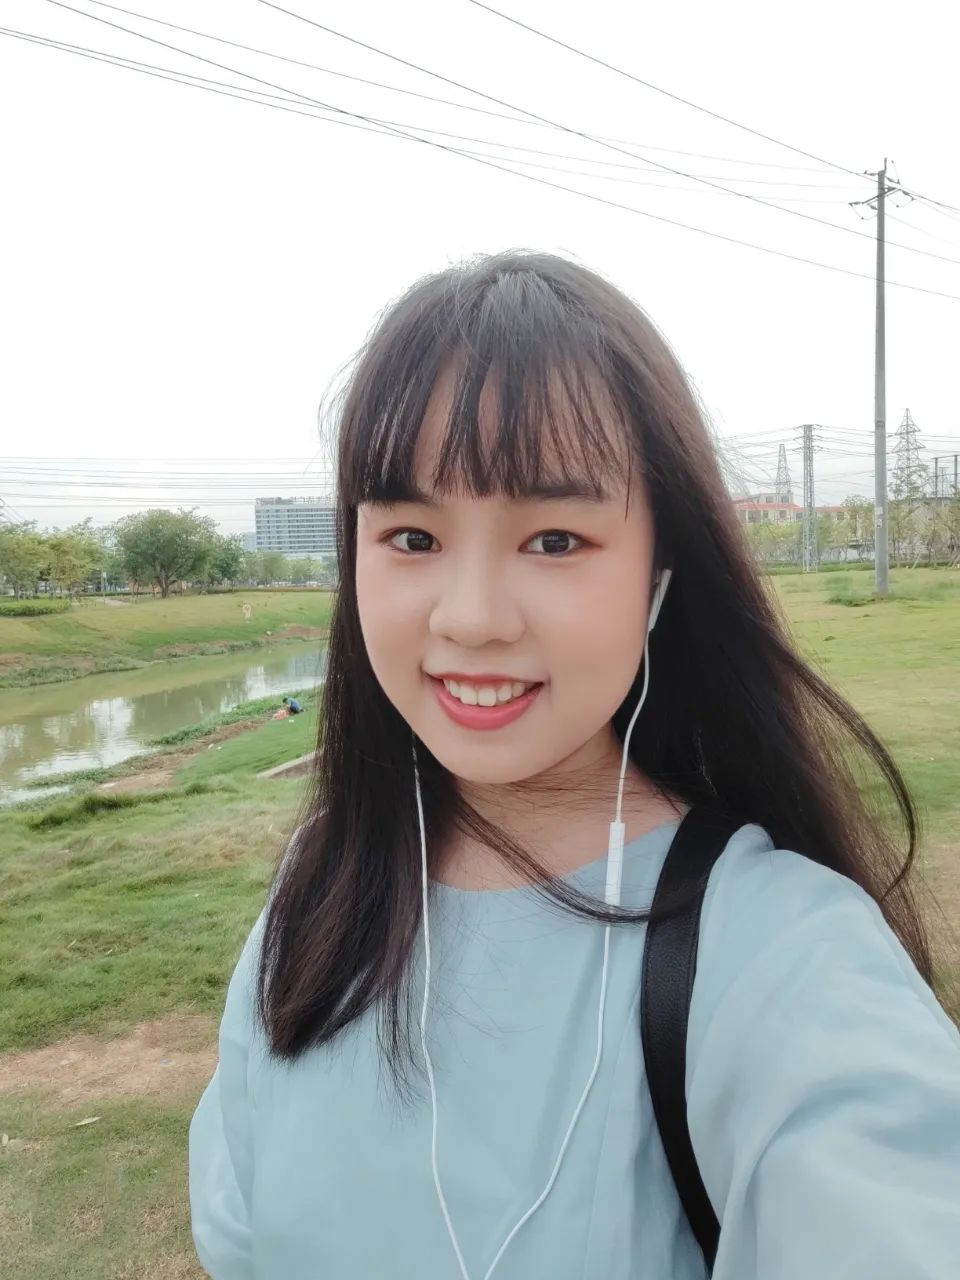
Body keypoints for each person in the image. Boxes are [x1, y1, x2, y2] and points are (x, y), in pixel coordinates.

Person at [188, 252, 960, 1280]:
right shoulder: (316, 891)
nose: (471, 617)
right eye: (411, 536)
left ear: (660, 573)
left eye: (554, 539)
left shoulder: (781, 955)